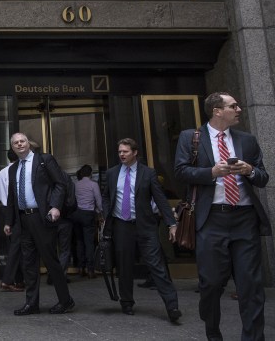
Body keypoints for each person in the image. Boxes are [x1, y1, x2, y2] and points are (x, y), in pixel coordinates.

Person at [174, 92, 270, 341]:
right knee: (211, 285)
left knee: (250, 286)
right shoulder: (191, 137)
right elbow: (181, 171)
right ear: (217, 111)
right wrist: (212, 172)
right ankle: (213, 333)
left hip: (244, 219)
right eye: (233, 106)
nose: (238, 109)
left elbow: (263, 176)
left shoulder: (246, 140)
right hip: (211, 220)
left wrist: (249, 170)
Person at [101, 138, 181, 322]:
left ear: (135, 152)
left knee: (157, 265)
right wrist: (107, 215)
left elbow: (160, 199)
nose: (121, 154)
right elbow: (105, 197)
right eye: (120, 151)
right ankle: (126, 302)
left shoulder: (148, 173)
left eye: (125, 152)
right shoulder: (112, 173)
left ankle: (172, 306)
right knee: (124, 266)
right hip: (121, 226)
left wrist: (171, 224)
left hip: (145, 226)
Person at [4, 132, 75, 316]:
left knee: (51, 261)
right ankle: (32, 303)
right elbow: (12, 198)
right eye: (15, 143)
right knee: (28, 263)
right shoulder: (13, 169)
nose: (19, 144)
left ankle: (65, 301)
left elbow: (60, 184)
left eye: (22, 141)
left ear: (29, 144)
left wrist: (55, 207)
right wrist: (8, 221)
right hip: (23, 220)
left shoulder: (44, 160)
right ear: (12, 147)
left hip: (42, 218)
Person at [0, 149, 24, 292]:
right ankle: (8, 280)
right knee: (16, 246)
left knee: (15, 245)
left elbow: (1, 193)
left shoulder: (1, 173)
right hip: (16, 210)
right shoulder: (18, 170)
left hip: (5, 209)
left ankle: (19, 280)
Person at [69, 164, 102, 279]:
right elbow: (98, 200)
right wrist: (99, 211)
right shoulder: (93, 184)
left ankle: (80, 268)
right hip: (88, 214)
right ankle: (90, 269)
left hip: (77, 214)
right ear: (90, 173)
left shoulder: (75, 185)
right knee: (89, 243)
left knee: (79, 241)